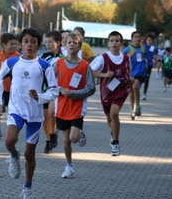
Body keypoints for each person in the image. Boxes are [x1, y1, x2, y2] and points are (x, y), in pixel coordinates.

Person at [0, 28, 59, 199]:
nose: (29, 45)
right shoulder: (12, 62)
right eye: (26, 41)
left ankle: (28, 188)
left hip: (35, 115)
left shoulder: (44, 66)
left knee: (30, 154)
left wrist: (40, 96)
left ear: (38, 44)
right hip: (16, 110)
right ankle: (14, 156)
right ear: (21, 44)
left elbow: (54, 90)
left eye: (33, 42)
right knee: (9, 140)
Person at [53, 32, 95, 178]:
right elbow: (50, 85)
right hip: (62, 108)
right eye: (69, 42)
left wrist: (74, 93)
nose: (71, 44)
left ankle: (80, 133)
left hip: (77, 107)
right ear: (64, 45)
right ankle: (69, 166)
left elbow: (91, 88)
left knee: (73, 138)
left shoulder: (85, 66)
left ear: (79, 46)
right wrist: (60, 90)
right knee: (65, 140)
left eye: (75, 42)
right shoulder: (57, 64)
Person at [90, 31, 132, 156]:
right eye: (112, 41)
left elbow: (129, 72)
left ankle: (115, 143)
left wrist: (131, 78)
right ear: (108, 43)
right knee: (109, 117)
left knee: (114, 114)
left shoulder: (126, 58)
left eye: (117, 41)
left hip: (121, 90)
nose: (114, 43)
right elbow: (90, 71)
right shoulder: (102, 58)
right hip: (107, 92)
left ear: (121, 43)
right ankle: (113, 132)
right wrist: (104, 74)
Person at [40, 30, 65, 153]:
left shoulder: (63, 57)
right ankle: (49, 139)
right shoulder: (44, 56)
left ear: (58, 42)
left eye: (50, 42)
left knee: (51, 112)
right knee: (45, 118)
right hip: (44, 89)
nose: (48, 45)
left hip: (57, 90)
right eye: (46, 42)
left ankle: (53, 133)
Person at [123, 31, 146, 120]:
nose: (137, 38)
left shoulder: (143, 49)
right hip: (130, 73)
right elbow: (120, 58)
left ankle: (138, 105)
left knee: (135, 87)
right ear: (132, 39)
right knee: (131, 91)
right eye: (135, 37)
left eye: (139, 37)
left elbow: (145, 59)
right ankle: (132, 110)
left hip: (140, 73)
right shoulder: (128, 49)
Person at [142, 32, 157, 100]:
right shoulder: (143, 47)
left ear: (152, 41)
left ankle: (144, 93)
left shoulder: (154, 48)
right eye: (148, 40)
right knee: (141, 79)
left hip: (149, 65)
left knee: (147, 79)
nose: (149, 41)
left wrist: (154, 59)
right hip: (143, 65)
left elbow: (156, 54)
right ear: (146, 40)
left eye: (150, 40)